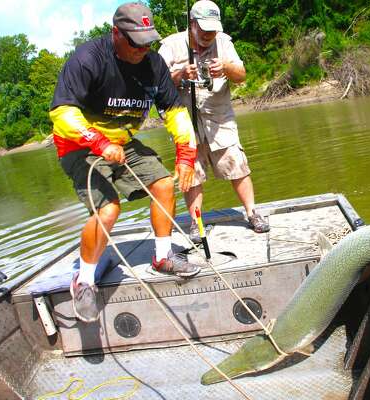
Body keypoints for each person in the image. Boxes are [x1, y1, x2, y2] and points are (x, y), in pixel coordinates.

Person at [49, 2, 202, 323]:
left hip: (122, 142)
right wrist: (98, 143)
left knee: (163, 183)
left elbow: (175, 112)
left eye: (147, 41)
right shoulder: (88, 59)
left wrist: (186, 156)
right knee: (109, 209)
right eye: (135, 41)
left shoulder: (154, 64)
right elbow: (62, 113)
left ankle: (162, 258)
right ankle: (85, 280)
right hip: (79, 144)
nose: (142, 49)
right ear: (116, 33)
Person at [158, 0, 269, 244]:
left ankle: (252, 213)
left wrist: (227, 68)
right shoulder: (170, 45)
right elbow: (156, 84)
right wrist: (178, 75)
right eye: (204, 29)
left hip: (220, 119)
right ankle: (197, 224)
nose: (209, 35)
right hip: (185, 123)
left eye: (213, 30)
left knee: (236, 164)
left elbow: (241, 75)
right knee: (192, 174)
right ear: (192, 24)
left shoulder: (224, 42)